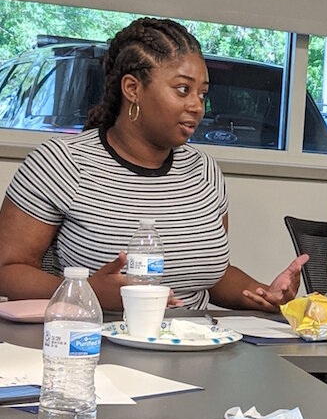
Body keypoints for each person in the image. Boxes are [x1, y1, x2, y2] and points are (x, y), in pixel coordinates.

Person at [0, 17, 307, 311]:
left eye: (203, 94)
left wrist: (266, 294)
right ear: (132, 89)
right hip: (96, 336)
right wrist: (88, 293)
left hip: (193, 339)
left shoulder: (204, 171)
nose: (197, 106)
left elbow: (212, 275)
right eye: (183, 90)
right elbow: (7, 269)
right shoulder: (62, 162)